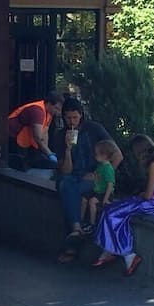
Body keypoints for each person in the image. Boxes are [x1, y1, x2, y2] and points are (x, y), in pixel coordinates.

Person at [91, 134, 154, 273]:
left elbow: (148, 195)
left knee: (114, 213)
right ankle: (109, 249)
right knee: (112, 209)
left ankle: (128, 255)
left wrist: (142, 194)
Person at [51, 98, 111, 262]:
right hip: (72, 177)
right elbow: (65, 170)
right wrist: (68, 150)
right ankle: (77, 229)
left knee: (69, 194)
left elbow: (116, 154)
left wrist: (102, 173)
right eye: (68, 118)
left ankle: (72, 243)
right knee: (66, 183)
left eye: (75, 118)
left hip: (93, 177)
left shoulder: (94, 129)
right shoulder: (60, 136)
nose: (72, 122)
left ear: (81, 115)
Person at [72, 139, 120, 238]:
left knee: (92, 201)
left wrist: (106, 198)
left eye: (97, 154)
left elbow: (110, 185)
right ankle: (81, 220)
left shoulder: (108, 169)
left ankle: (92, 224)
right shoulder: (100, 166)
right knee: (84, 198)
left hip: (104, 193)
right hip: (97, 189)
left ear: (104, 156)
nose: (95, 155)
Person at [7, 92, 64, 170]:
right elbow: (37, 136)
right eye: (57, 108)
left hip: (25, 142)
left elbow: (45, 133)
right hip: (11, 139)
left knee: (47, 162)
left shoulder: (49, 114)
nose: (58, 112)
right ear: (49, 104)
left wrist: (46, 152)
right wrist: (49, 154)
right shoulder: (38, 111)